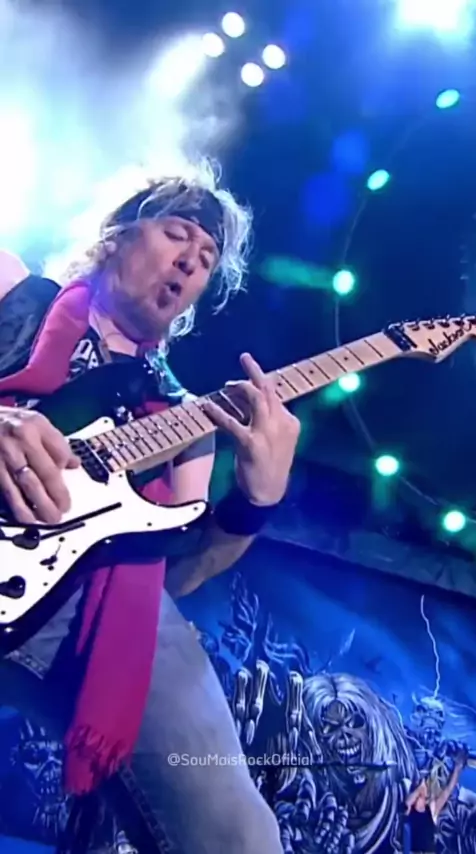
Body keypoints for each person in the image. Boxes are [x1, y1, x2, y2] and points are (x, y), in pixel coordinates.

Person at [0, 163, 301, 853]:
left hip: (95, 602)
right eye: (177, 235)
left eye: (206, 259)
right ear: (116, 234)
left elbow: (182, 573)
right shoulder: (14, 291)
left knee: (239, 836)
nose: (191, 262)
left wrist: (255, 503)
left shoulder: (187, 422)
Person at [404, 753, 466, 854]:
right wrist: (420, 788)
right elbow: (407, 803)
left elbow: (448, 790)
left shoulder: (432, 809)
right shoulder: (409, 810)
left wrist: (457, 768)